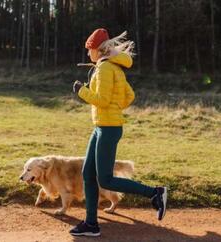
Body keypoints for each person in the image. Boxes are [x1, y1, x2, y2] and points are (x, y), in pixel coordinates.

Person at [69, 28, 168, 237]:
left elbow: (103, 100)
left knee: (104, 179)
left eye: (89, 50)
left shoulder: (105, 68)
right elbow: (129, 95)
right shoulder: (112, 67)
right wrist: (114, 105)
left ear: (97, 49)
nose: (88, 54)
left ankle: (155, 193)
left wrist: (82, 91)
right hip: (102, 127)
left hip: (108, 128)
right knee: (88, 173)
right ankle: (91, 224)